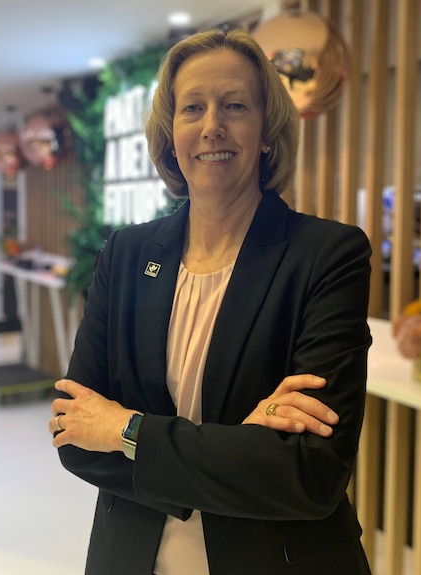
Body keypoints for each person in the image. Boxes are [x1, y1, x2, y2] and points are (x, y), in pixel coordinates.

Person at [49, 29, 372, 575]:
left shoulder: (326, 255)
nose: (212, 126)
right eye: (192, 107)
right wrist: (242, 448)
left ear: (267, 131)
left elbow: (310, 474)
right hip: (132, 556)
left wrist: (128, 430)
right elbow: (75, 434)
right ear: (170, 133)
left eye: (235, 105)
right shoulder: (127, 254)